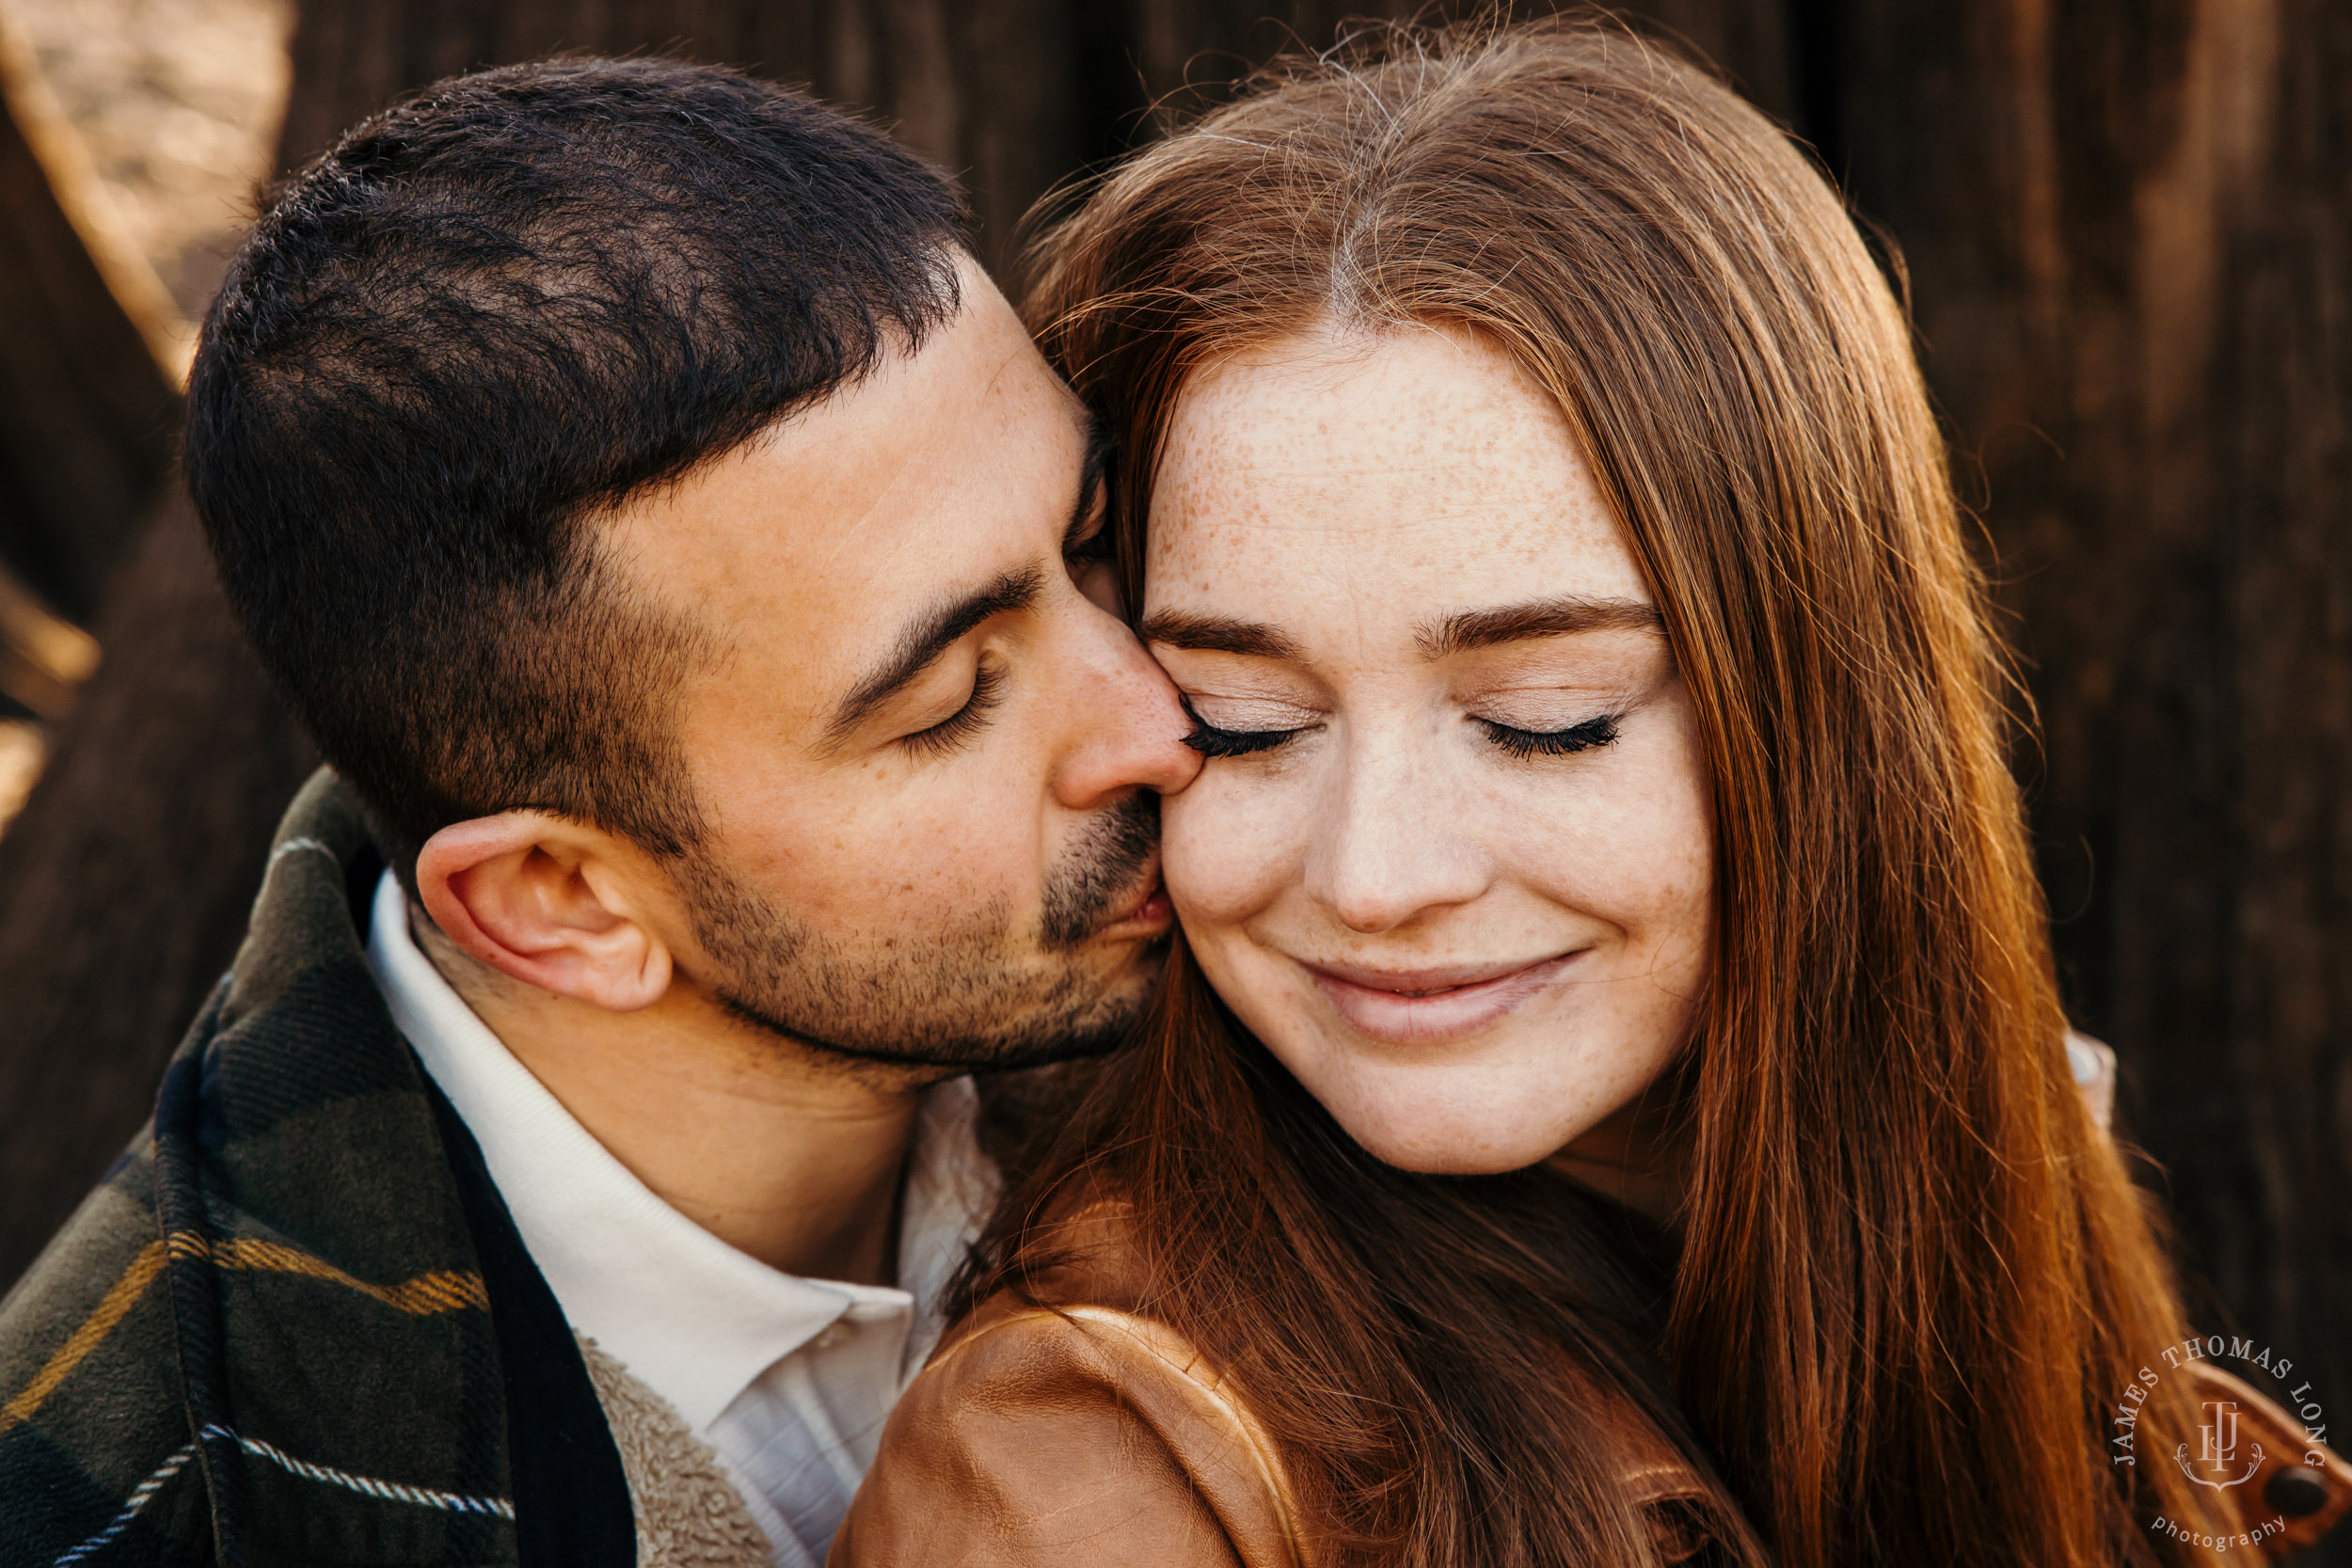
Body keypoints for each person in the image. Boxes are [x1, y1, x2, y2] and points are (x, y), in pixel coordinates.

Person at [831, 21, 2352, 1568]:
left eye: (1546, 722)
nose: (1376, 876)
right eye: (1243, 723)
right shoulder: (1083, 1478)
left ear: (1824, 717)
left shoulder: (1997, 1166)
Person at [0, 57, 1198, 1568]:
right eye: (955, 697)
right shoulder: (152, 1516)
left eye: (1091, 540)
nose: (1159, 722)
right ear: (560, 901)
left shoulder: (1261, 991)